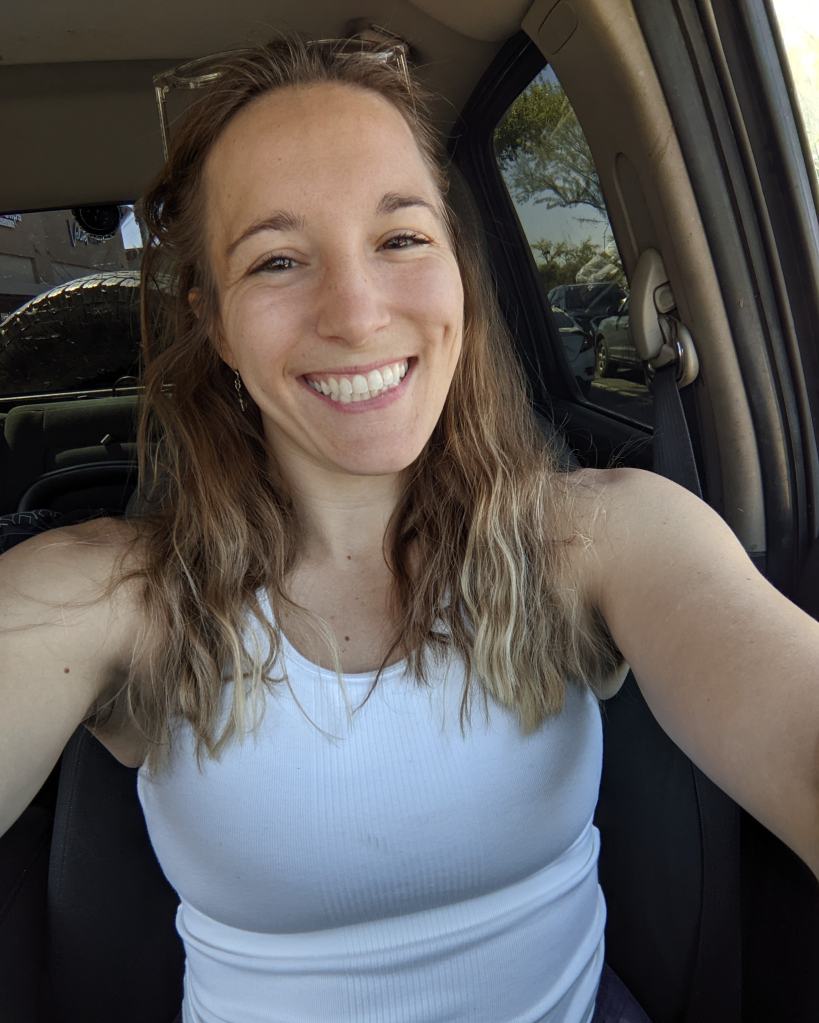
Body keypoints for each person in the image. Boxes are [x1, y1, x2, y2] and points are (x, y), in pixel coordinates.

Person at [1, 37, 817, 1023]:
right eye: (277, 260)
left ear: (460, 271)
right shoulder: (110, 598)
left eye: (400, 240)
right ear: (211, 319)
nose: (356, 312)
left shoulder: (599, 537)